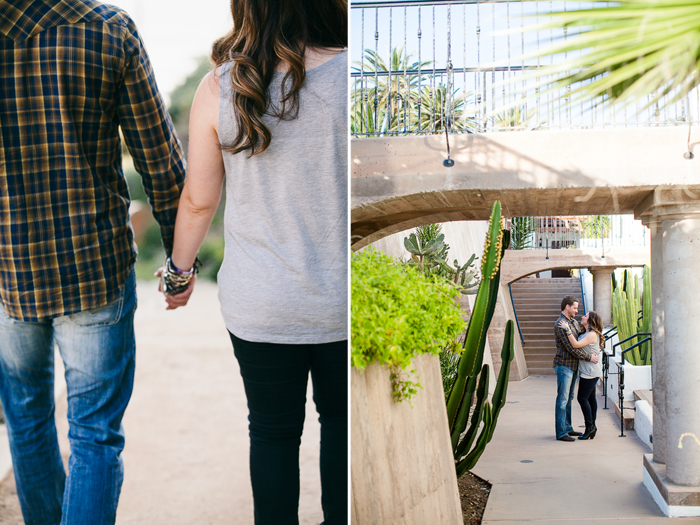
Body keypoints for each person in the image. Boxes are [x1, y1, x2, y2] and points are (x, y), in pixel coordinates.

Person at [158, 0, 348, 523]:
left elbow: (199, 199)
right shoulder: (355, 73)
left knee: (271, 434)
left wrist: (179, 273)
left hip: (260, 306)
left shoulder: (221, 86)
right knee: (342, 427)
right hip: (343, 308)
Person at [0, 1, 185, 523]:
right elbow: (160, 160)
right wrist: (179, 262)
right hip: (94, 268)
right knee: (95, 437)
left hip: (10, 271)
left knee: (28, 420)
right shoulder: (109, 30)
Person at [553, 296, 599, 442]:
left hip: (573, 367)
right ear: (567, 307)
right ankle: (561, 432)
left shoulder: (572, 322)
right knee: (563, 399)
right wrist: (589, 357)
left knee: (570, 398)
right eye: (575, 308)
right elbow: (572, 348)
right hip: (564, 365)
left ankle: (567, 427)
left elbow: (588, 334)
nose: (577, 311)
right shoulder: (561, 324)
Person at [559, 311, 605, 440]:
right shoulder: (586, 333)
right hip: (588, 370)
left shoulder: (591, 334)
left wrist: (567, 329)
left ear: (590, 321)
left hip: (590, 372)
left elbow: (576, 345)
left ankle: (590, 427)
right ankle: (592, 427)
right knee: (590, 399)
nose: (582, 316)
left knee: (582, 398)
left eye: (585, 316)